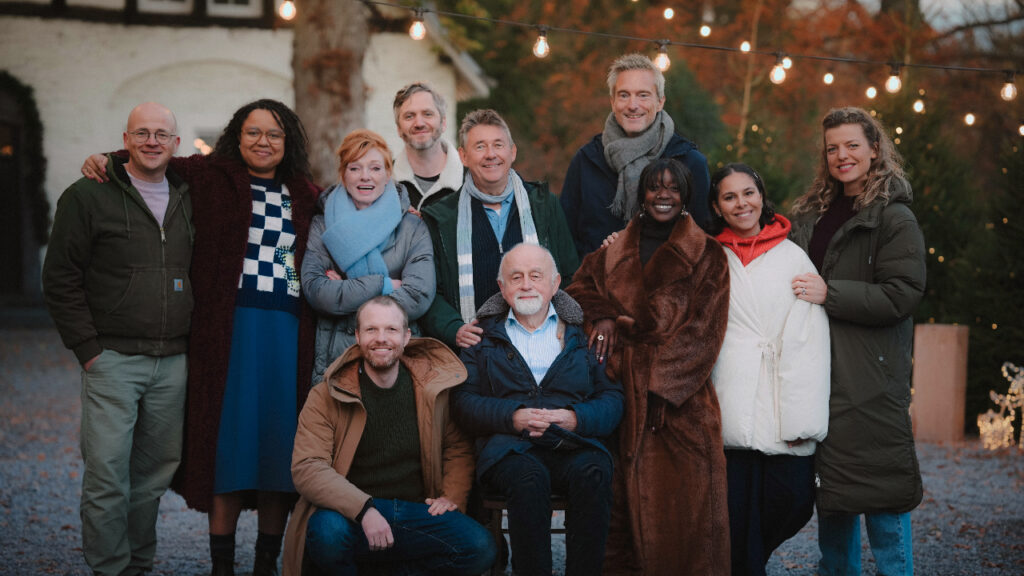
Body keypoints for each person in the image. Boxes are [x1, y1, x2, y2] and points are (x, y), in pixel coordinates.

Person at [81, 99, 320, 576]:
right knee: (227, 446)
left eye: (274, 134)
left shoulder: (306, 193)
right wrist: (108, 159)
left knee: (280, 447)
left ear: (288, 141)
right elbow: (155, 156)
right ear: (237, 136)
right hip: (228, 331)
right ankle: (221, 566)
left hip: (289, 332)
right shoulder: (211, 176)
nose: (263, 141)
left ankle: (266, 562)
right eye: (253, 132)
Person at [43, 102, 192, 576]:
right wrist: (88, 349)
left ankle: (138, 565)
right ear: (124, 140)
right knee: (107, 474)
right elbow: (60, 276)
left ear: (176, 143)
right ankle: (110, 568)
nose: (152, 141)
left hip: (173, 361)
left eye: (161, 134)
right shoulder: (88, 195)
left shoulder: (189, 194)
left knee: (152, 477)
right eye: (141, 133)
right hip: (112, 359)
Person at [566, 158, 730, 575]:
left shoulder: (708, 253)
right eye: (655, 187)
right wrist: (603, 314)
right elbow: (576, 289)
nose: (663, 195)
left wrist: (661, 388)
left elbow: (705, 332)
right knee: (617, 514)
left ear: (686, 195)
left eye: (673, 188)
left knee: (685, 513)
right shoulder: (614, 249)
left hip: (679, 403)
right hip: (619, 394)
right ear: (642, 194)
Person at [789, 107, 926, 576]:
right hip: (819, 369)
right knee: (834, 493)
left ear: (874, 148)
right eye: (833, 148)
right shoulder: (811, 214)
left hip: (871, 373)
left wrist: (831, 293)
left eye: (852, 145)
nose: (841, 155)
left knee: (883, 490)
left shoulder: (894, 217)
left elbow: (902, 294)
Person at [283, 295, 496, 576]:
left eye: (391, 329)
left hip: (415, 513)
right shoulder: (325, 394)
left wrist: (451, 495)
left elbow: (457, 448)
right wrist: (364, 509)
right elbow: (308, 467)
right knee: (327, 532)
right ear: (357, 336)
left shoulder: (432, 388)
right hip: (351, 514)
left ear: (407, 337)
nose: (381, 338)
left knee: (480, 547)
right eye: (371, 329)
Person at [452, 243, 624, 576]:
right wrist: (512, 416)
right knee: (529, 478)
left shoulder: (583, 334)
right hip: (509, 449)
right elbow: (463, 403)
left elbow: (613, 398)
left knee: (595, 470)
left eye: (536, 275)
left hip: (572, 443)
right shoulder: (482, 338)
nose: (527, 285)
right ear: (502, 287)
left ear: (555, 283)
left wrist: (575, 418)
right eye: (516, 277)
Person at [707, 163, 831, 576]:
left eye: (748, 193)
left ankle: (748, 564)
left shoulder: (793, 256)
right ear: (717, 207)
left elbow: (809, 342)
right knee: (734, 512)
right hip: (729, 394)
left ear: (761, 196)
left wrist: (802, 421)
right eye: (729, 197)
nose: (741, 203)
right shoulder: (710, 256)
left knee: (792, 501)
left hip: (781, 401)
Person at [419, 108, 579, 351]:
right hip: (474, 350)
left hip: (541, 343)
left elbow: (569, 274)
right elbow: (429, 291)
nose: (491, 154)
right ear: (463, 156)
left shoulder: (544, 206)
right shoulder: (441, 218)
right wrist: (453, 328)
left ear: (512, 152)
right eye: (480, 146)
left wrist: (563, 322)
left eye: (498, 145)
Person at [302, 129, 435, 385]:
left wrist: (346, 289)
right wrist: (383, 285)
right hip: (337, 355)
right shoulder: (322, 224)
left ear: (388, 174)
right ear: (343, 174)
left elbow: (419, 295)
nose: (365, 176)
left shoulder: (412, 226)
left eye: (375, 168)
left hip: (396, 354)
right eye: (355, 168)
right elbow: (317, 291)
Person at [560, 53, 711, 259]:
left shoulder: (689, 162)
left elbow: (703, 240)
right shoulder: (587, 160)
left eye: (643, 95)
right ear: (612, 102)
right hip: (595, 277)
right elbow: (565, 239)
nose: (633, 105)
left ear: (660, 102)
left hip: (666, 277)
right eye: (624, 95)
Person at [391, 82, 464, 213]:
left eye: (427, 114)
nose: (419, 123)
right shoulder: (384, 181)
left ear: (443, 123)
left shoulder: (472, 180)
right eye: (409, 116)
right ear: (399, 129)